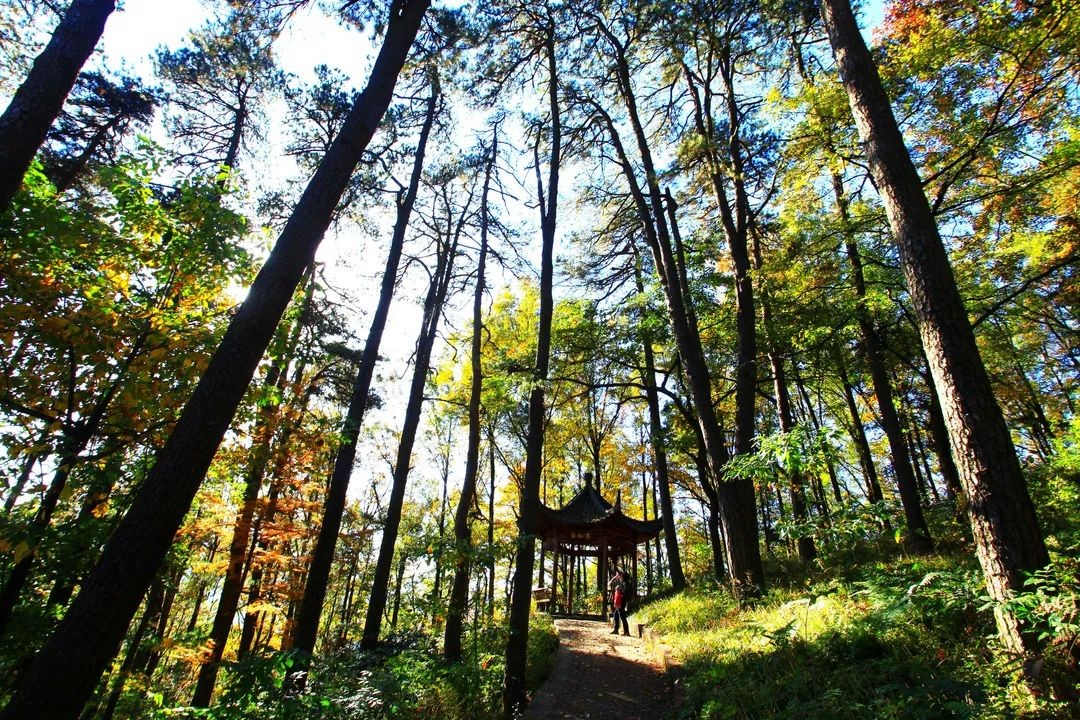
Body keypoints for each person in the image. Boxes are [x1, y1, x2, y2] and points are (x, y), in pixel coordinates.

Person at [608, 569, 630, 636]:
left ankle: (626, 632)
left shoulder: (626, 584)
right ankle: (616, 630)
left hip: (622, 602)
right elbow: (609, 583)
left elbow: (625, 594)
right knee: (616, 615)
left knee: (622, 616)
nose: (620, 576)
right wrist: (615, 577)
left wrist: (620, 602)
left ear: (624, 576)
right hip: (618, 601)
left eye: (621, 575)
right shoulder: (620, 582)